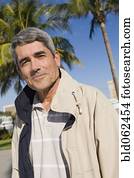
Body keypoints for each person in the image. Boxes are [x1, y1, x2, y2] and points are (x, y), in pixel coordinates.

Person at [11, 27, 118, 178]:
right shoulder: (22, 115)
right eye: (25, 62)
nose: (35, 67)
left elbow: (116, 169)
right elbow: (17, 170)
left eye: (40, 55)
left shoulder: (92, 101)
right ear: (20, 72)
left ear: (56, 59)